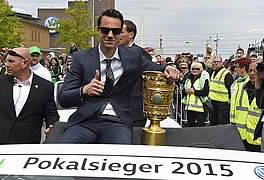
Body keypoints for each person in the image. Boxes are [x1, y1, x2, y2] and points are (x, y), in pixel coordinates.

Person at [57, 9, 179, 144]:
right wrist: (84, 90)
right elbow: (63, 98)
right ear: (98, 31)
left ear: (120, 33)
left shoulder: (133, 56)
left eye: (115, 31)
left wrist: (168, 68)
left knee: (122, 158)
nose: (110, 35)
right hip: (84, 121)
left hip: (118, 122)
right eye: (105, 30)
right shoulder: (81, 58)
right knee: (60, 153)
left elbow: (156, 68)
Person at [0, 47, 59, 145]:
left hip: (28, 147)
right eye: (6, 61)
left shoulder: (45, 87)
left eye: (11, 61)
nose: (6, 65)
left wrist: (52, 128)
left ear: (24, 63)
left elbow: (51, 115)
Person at [119, 19, 152, 127]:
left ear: (131, 34)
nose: (118, 35)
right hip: (116, 109)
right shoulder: (114, 53)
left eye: (121, 32)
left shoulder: (142, 54)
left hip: (134, 111)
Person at [229, 58, 251, 142]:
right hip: (233, 120)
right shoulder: (235, 83)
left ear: (244, 68)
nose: (235, 69)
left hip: (245, 121)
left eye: (237, 67)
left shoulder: (250, 82)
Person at [209, 57, 234, 125]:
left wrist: (230, 101)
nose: (215, 63)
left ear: (221, 62)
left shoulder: (226, 74)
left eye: (217, 62)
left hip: (223, 103)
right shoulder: (213, 73)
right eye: (214, 62)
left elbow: (231, 89)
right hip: (213, 102)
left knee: (223, 123)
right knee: (213, 123)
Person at [183, 62, 209, 127]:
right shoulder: (188, 79)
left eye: (197, 69)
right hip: (189, 108)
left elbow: (206, 92)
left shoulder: (203, 79)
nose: (195, 70)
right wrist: (186, 91)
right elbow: (184, 90)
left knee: (200, 128)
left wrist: (194, 92)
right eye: (193, 69)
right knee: (190, 127)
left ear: (201, 70)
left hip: (200, 108)